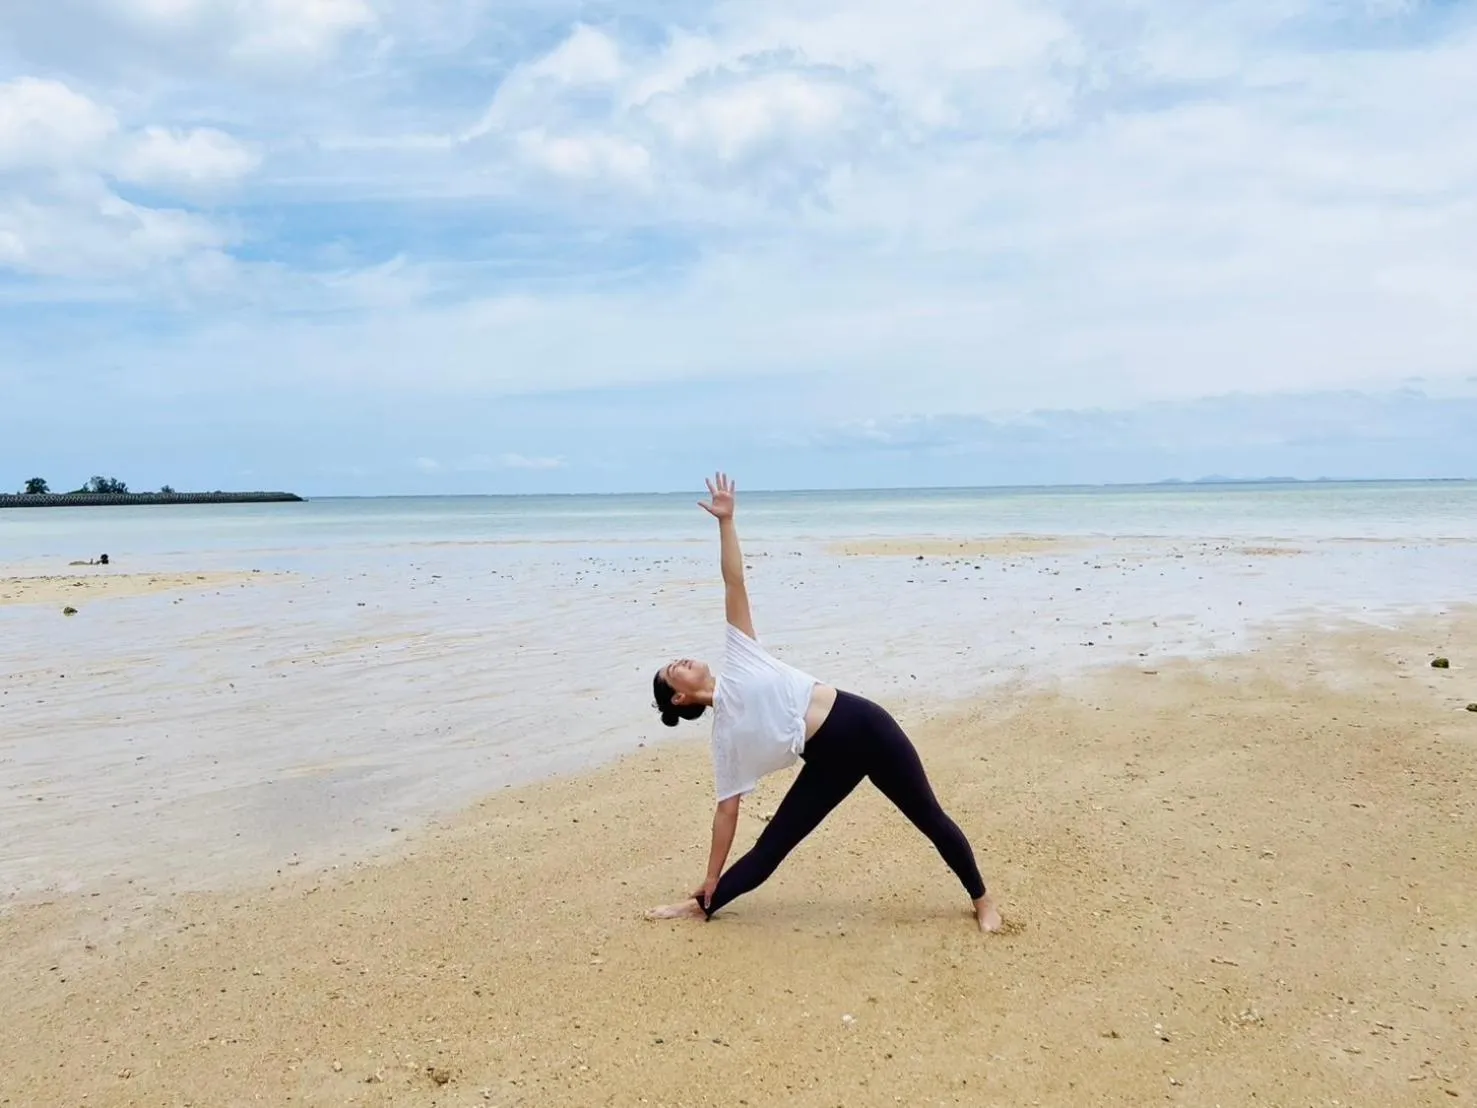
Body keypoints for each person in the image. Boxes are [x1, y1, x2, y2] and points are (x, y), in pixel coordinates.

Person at [645, 473, 1002, 932]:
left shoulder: (740, 657)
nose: (683, 660)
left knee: (928, 816)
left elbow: (733, 580)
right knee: (773, 846)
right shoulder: (725, 739)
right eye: (675, 668)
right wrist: (712, 875)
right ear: (680, 696)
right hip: (827, 760)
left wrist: (726, 522)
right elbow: (727, 810)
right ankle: (703, 904)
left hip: (865, 727)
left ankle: (982, 899)